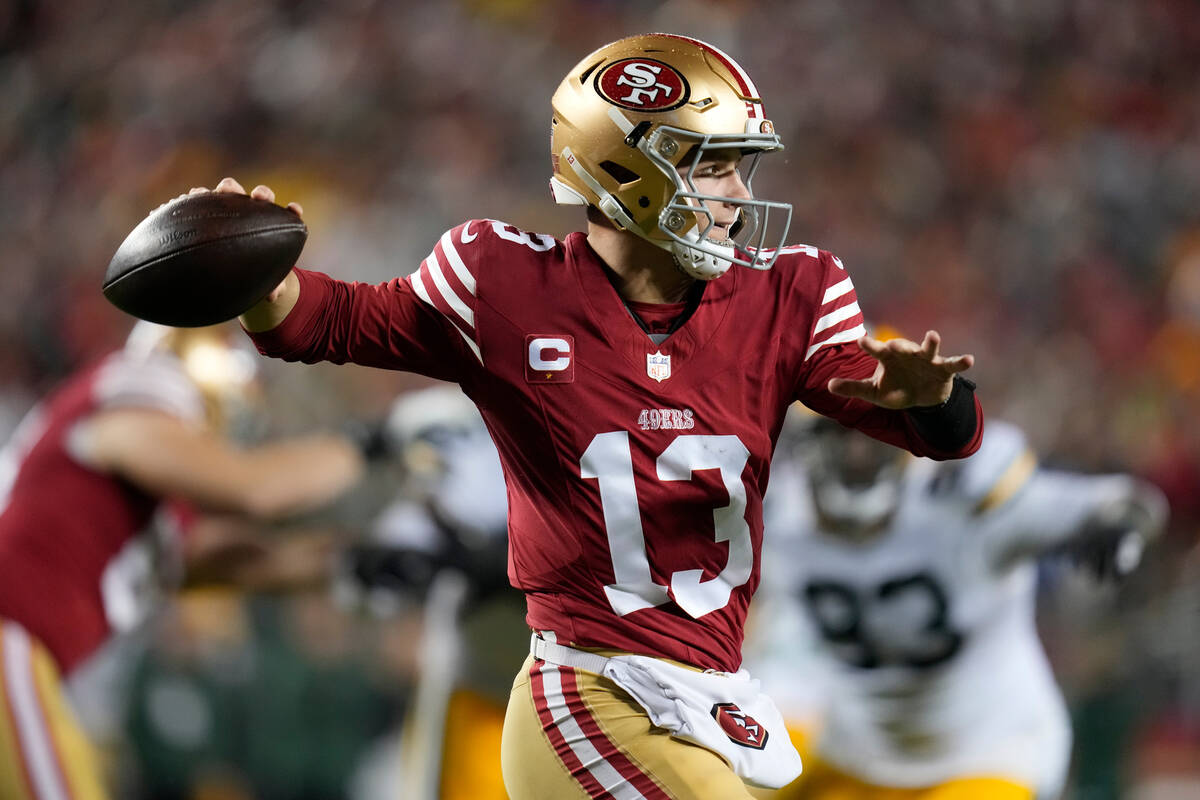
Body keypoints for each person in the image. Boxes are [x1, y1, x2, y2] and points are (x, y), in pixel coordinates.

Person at [188, 32, 984, 800]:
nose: (740, 198)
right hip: (589, 691)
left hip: (710, 699)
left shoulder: (791, 293)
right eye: (715, 168)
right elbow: (328, 320)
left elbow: (936, 431)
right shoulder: (502, 282)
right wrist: (256, 277)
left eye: (743, 168)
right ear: (628, 170)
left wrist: (933, 399)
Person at [0, 321, 365, 800]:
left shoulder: (147, 510)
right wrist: (365, 445)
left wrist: (367, 561)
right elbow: (254, 489)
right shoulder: (131, 394)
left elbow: (249, 563)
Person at [743, 410, 1168, 800]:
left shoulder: (963, 495)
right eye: (838, 434)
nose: (857, 453)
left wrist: (1118, 520)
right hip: (855, 748)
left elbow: (1119, 502)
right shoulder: (781, 512)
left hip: (989, 750)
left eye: (873, 434)